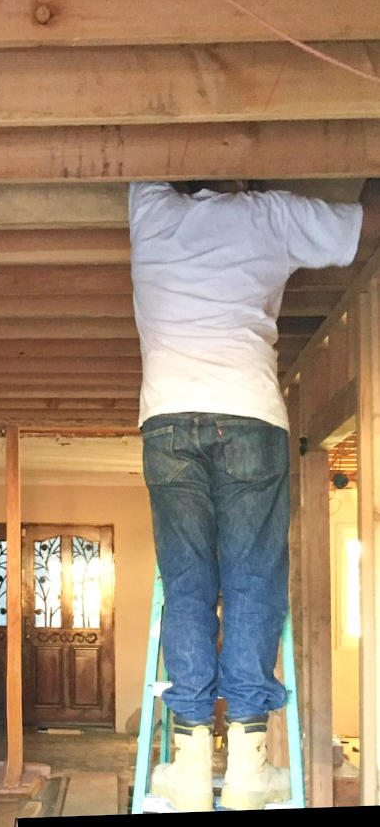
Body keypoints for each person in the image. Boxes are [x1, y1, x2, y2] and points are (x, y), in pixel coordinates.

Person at [131, 178, 380, 812]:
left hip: (166, 420)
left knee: (187, 581)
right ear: (245, 175)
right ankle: (246, 762)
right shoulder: (273, 214)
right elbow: (363, 228)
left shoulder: (150, 209)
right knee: (250, 580)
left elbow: (140, 150)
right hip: (248, 417)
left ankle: (187, 763)